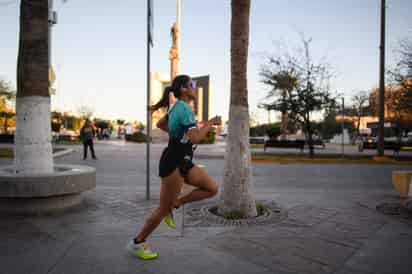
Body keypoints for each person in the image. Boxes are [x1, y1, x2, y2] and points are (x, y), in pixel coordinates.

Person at [126, 75, 221, 260]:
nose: (194, 87)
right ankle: (137, 243)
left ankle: (178, 203)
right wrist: (210, 123)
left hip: (184, 161)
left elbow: (161, 124)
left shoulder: (177, 107)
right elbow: (195, 138)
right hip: (173, 163)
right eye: (192, 85)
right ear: (184, 89)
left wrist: (177, 135)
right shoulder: (184, 108)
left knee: (212, 188)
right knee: (162, 209)